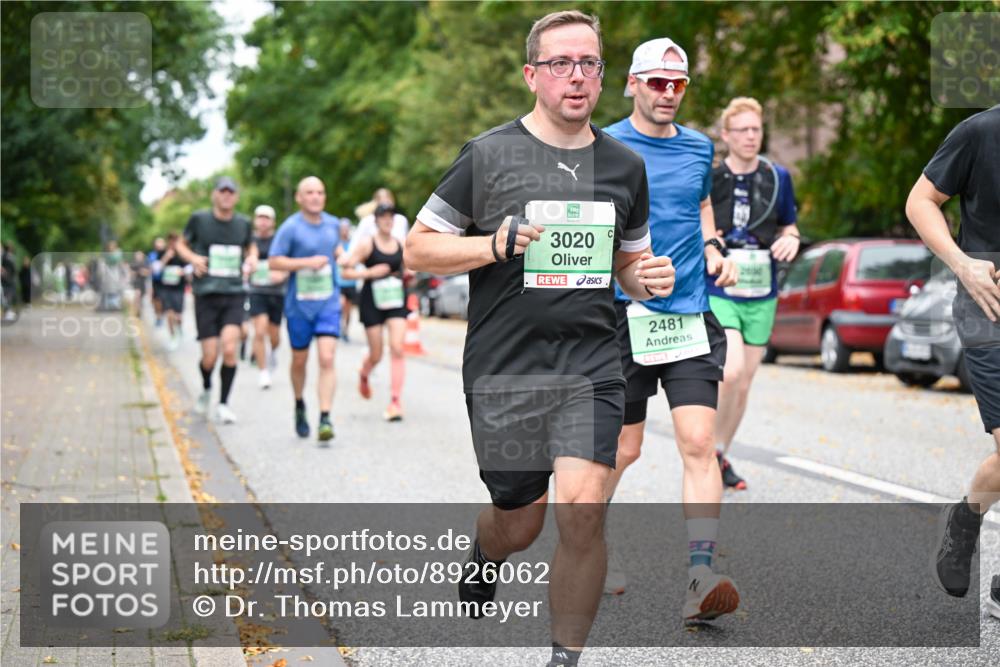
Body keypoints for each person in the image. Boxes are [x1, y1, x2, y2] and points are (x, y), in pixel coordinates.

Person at [405, 11, 675, 666]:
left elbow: (625, 266)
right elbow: (417, 247)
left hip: (591, 362)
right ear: (533, 75)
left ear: (603, 76)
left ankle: (564, 658)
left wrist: (648, 278)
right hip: (506, 367)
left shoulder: (624, 166)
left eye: (588, 64)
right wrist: (491, 244)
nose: (576, 77)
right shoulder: (489, 155)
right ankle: (486, 548)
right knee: (520, 522)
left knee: (583, 508)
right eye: (561, 64)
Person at [601, 38, 742, 621]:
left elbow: (700, 204)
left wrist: (712, 244)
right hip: (621, 317)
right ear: (632, 83)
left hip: (688, 316)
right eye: (656, 82)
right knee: (624, 449)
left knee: (699, 443)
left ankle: (699, 575)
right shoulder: (602, 145)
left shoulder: (700, 147)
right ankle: (586, 543)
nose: (667, 93)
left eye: (677, 84)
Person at [906, 105, 999, 620]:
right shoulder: (980, 132)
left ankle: (965, 518)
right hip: (989, 305)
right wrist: (962, 265)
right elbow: (921, 201)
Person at [709, 97, 801, 490]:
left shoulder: (778, 176)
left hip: (762, 289)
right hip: (721, 284)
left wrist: (791, 240)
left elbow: (789, 226)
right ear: (726, 135)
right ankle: (704, 450)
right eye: (743, 130)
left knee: (745, 381)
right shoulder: (710, 178)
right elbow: (696, 221)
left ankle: (719, 452)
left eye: (756, 130)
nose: (751, 136)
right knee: (729, 372)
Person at [175, 176, 257, 424]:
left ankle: (223, 403)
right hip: (206, 294)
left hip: (233, 292)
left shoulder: (243, 223)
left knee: (230, 349)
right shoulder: (199, 220)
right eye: (222, 191)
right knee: (209, 357)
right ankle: (207, 387)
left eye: (231, 192)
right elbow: (180, 244)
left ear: (236, 197)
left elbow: (251, 247)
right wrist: (192, 258)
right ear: (214, 195)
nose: (226, 196)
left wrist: (252, 259)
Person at [267, 177, 342, 442]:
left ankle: (325, 417)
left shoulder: (333, 224)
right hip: (299, 306)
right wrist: (306, 262)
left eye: (320, 192)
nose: (315, 197)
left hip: (328, 303)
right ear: (299, 197)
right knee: (300, 359)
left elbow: (337, 252)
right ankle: (299, 404)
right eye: (309, 192)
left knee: (327, 358)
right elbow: (274, 262)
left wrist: (343, 258)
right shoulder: (290, 228)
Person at [340, 204, 410, 421]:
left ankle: (395, 401)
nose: (388, 221)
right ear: (376, 221)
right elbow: (346, 271)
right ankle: (364, 373)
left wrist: (409, 274)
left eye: (391, 217)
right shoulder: (367, 244)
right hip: (372, 300)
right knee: (377, 353)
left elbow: (409, 268)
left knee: (398, 348)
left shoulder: (400, 244)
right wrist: (369, 272)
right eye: (384, 217)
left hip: (396, 298)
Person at [248, 204, 288, 388]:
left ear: (272, 221)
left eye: (267, 218)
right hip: (257, 290)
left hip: (276, 292)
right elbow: (246, 261)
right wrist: (248, 267)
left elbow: (288, 263)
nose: (263, 221)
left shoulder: (279, 240)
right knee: (259, 330)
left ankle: (273, 351)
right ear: (255, 220)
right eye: (260, 217)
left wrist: (283, 275)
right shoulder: (250, 241)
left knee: (274, 335)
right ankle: (263, 372)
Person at [157, 232, 189, 351]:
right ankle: (173, 336)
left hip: (179, 288)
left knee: (178, 316)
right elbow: (156, 268)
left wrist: (183, 272)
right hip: (166, 288)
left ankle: (179, 328)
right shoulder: (163, 253)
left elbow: (189, 267)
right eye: (171, 241)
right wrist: (166, 258)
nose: (173, 244)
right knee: (169, 314)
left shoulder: (182, 254)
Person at [337, 218, 359, 342]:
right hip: (339, 281)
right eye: (342, 228)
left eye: (346, 228)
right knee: (341, 304)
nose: (344, 231)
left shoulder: (353, 244)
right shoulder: (336, 244)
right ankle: (340, 326)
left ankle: (346, 330)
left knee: (348, 309)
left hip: (351, 281)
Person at [148, 237, 167, 326]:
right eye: (158, 243)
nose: (160, 245)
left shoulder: (168, 253)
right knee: (157, 300)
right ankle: (159, 317)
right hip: (156, 281)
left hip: (167, 281)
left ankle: (162, 314)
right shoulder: (152, 255)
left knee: (164, 299)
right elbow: (153, 268)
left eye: (161, 243)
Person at [129, 250, 150, 318]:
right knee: (137, 295)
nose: (138, 256)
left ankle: (139, 311)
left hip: (143, 282)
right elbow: (130, 273)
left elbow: (148, 272)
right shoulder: (133, 263)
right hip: (136, 282)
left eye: (139, 255)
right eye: (137, 255)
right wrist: (137, 272)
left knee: (141, 298)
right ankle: (136, 312)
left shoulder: (145, 263)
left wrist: (142, 272)